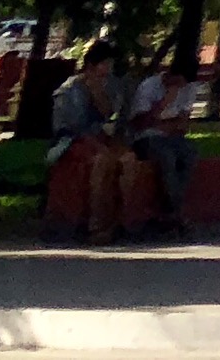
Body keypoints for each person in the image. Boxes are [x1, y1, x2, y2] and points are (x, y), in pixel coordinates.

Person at [46, 38, 146, 245]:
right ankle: (97, 223)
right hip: (73, 140)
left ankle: (123, 220)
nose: (108, 68)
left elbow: (113, 116)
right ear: (92, 65)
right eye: (105, 64)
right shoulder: (70, 89)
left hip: (104, 137)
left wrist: (99, 94)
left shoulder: (111, 86)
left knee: (129, 161)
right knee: (102, 161)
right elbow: (73, 127)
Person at [124, 51, 202, 235]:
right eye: (178, 82)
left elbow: (182, 125)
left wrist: (165, 124)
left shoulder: (189, 88)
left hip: (172, 137)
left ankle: (171, 212)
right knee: (166, 157)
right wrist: (164, 102)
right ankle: (176, 214)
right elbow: (139, 124)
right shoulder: (149, 87)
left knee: (189, 154)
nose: (181, 87)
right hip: (146, 138)